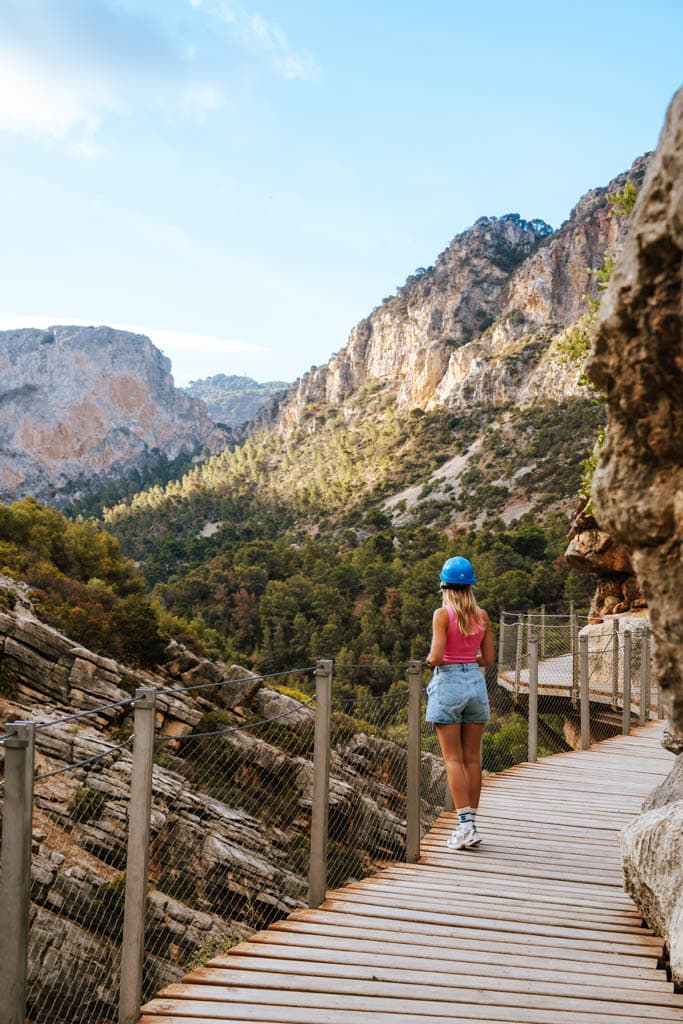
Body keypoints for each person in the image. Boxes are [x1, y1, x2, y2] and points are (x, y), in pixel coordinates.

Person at [425, 556, 494, 850]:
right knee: (472, 759)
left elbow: (437, 656)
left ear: (445, 587)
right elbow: (488, 659)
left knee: (451, 759)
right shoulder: (483, 616)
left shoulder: (442, 615)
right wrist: (468, 659)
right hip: (476, 685)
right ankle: (472, 825)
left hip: (449, 684)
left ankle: (464, 827)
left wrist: (429, 660)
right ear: (470, 587)